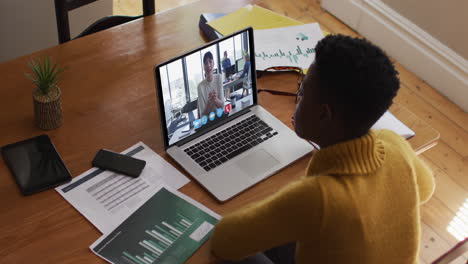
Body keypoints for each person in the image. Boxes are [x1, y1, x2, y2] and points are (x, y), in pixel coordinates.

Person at [210, 34, 435, 264]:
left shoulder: (318, 197)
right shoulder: (394, 143)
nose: (298, 98)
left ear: (323, 114)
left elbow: (224, 240)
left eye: (303, 91)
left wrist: (281, 205)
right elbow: (426, 188)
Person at [197, 51, 225, 118]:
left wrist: (215, 99)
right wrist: (209, 103)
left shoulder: (219, 78)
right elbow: (202, 115)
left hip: (220, 117)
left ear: (213, 63)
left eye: (210, 61)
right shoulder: (200, 87)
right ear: (203, 67)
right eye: (206, 63)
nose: (208, 65)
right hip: (209, 122)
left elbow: (222, 106)